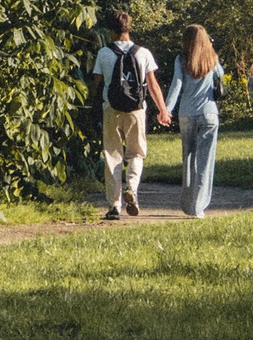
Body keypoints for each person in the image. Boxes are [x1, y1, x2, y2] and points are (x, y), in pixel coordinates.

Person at [94, 12, 171, 219]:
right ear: (129, 27)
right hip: (136, 109)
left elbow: (96, 82)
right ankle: (132, 189)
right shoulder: (143, 53)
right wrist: (163, 109)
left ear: (111, 30)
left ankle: (114, 207)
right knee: (136, 153)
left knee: (112, 155)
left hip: (111, 108)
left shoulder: (104, 53)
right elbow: (152, 84)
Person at [169, 24, 225, 219]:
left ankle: (187, 202)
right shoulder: (212, 58)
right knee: (205, 162)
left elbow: (176, 85)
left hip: (186, 113)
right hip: (209, 113)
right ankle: (198, 207)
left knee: (189, 160)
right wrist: (211, 48)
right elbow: (221, 75)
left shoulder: (181, 59)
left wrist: (167, 110)